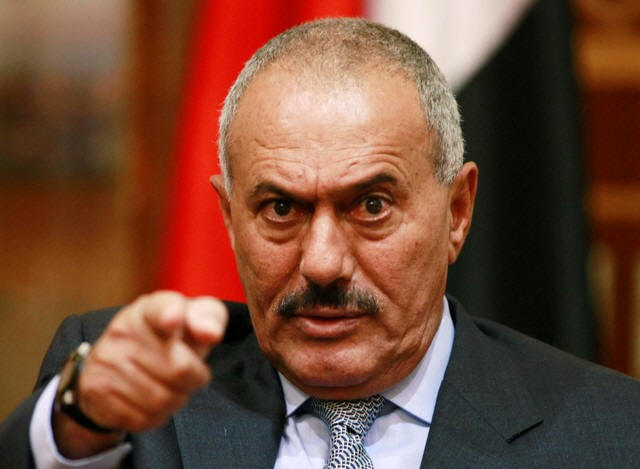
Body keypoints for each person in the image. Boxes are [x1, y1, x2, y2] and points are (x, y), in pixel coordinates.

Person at [1, 17, 639, 468]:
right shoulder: (134, 407)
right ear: (230, 218)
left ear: (457, 212)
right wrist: (78, 423)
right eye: (281, 209)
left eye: (371, 206)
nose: (323, 263)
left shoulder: (612, 434)